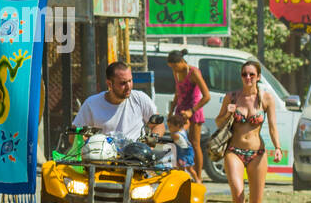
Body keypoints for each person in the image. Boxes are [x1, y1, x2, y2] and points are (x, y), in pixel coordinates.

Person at [214, 59, 282, 203]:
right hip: (234, 151)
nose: (248, 78)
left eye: (252, 74)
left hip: (257, 153)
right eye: (244, 74)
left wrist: (277, 147)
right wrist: (228, 113)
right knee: (238, 196)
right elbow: (218, 121)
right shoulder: (232, 97)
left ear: (258, 77)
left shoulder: (266, 99)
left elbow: (272, 126)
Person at [73, 61, 162, 138]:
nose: (128, 86)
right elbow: (73, 135)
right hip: (103, 156)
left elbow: (158, 125)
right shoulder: (91, 104)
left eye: (130, 81)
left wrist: (149, 146)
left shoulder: (140, 98)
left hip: (135, 155)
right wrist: (87, 141)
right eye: (123, 83)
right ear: (109, 84)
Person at [167, 49, 211, 180]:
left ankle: (198, 177)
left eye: (175, 66)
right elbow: (177, 92)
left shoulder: (194, 73)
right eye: (172, 67)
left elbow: (207, 96)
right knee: (179, 141)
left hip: (194, 109)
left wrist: (192, 111)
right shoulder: (176, 72)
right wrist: (171, 110)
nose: (174, 69)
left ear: (181, 62)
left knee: (194, 143)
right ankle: (182, 173)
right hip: (180, 110)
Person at [167, 112, 197, 178]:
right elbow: (188, 123)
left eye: (170, 126)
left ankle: (191, 180)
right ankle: (197, 180)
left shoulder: (175, 135)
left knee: (183, 168)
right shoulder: (183, 130)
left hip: (183, 154)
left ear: (177, 125)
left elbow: (171, 137)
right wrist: (185, 117)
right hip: (189, 152)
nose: (168, 128)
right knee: (189, 169)